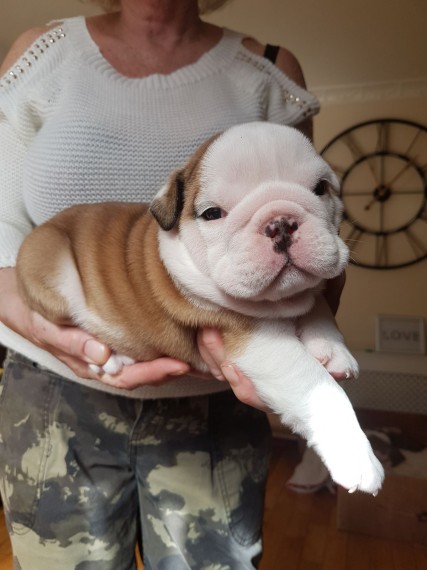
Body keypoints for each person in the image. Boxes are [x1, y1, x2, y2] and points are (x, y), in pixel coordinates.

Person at [0, 0, 334, 567]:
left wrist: (308, 344)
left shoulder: (268, 71)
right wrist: (42, 326)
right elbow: (3, 227)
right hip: (54, 391)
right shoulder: (42, 55)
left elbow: (311, 228)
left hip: (211, 406)